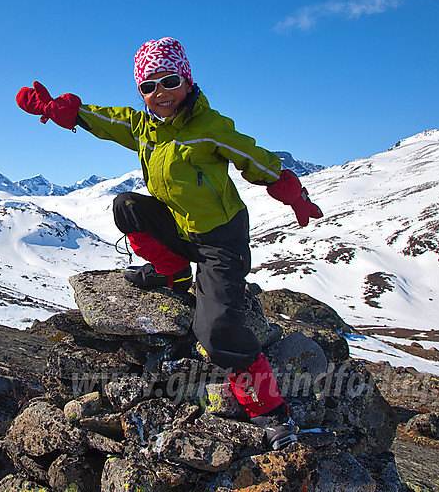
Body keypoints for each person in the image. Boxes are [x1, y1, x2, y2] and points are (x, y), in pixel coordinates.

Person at [16, 37, 322, 449]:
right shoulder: (144, 125)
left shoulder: (209, 128)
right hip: (181, 230)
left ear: (188, 82)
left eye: (169, 81)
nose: (158, 93)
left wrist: (292, 192)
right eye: (148, 86)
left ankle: (270, 412)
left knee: (214, 330)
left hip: (220, 241)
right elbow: (104, 119)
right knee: (126, 206)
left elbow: (255, 158)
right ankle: (172, 273)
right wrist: (63, 111)